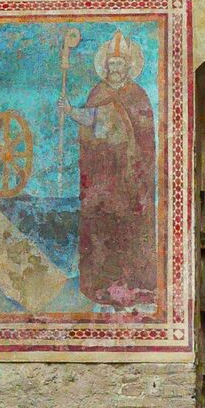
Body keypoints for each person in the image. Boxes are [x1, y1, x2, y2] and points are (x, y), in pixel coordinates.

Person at [59, 31, 156, 308]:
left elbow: (144, 135)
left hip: (130, 177)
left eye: (120, 65)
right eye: (111, 65)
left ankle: (132, 281)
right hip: (103, 177)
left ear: (128, 67)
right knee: (102, 226)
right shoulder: (97, 93)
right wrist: (72, 111)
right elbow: (90, 129)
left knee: (128, 226)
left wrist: (127, 144)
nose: (115, 70)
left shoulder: (139, 95)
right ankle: (101, 282)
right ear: (106, 67)